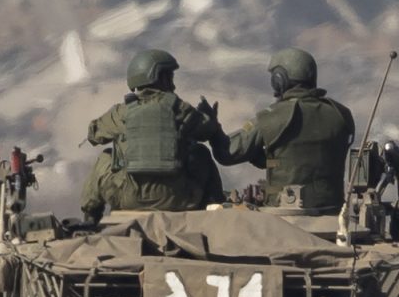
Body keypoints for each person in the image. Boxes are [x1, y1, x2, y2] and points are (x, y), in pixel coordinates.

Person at [79, 48, 227, 216]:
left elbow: (94, 135)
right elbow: (207, 131)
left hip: (129, 200)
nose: (173, 85)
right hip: (178, 199)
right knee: (201, 152)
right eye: (169, 78)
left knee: (105, 158)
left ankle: (90, 216)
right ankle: (215, 207)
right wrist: (208, 116)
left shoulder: (122, 113)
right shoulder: (180, 110)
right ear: (160, 78)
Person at [225, 47, 357, 214]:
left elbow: (228, 153)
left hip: (283, 214)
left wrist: (212, 130)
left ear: (279, 80)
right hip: (333, 211)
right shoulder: (341, 114)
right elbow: (299, 158)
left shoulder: (272, 117)